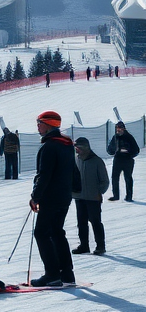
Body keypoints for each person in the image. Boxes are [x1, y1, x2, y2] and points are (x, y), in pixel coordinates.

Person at [29, 110, 77, 287]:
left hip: (51, 197)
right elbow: (73, 170)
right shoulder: (66, 144)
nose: (38, 127)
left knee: (41, 233)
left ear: (49, 125)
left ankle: (52, 274)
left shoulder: (49, 146)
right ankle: (67, 274)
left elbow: (45, 175)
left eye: (40, 123)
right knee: (57, 232)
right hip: (64, 196)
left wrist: (35, 197)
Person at [71, 137, 108, 256]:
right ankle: (84, 245)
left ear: (85, 148)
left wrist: (99, 192)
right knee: (81, 222)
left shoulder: (97, 161)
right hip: (79, 196)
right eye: (76, 148)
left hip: (93, 198)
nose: (77, 150)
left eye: (79, 148)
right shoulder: (76, 160)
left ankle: (100, 246)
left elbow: (104, 181)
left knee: (95, 221)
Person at [107, 120, 138, 202]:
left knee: (128, 178)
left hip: (127, 160)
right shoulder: (115, 137)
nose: (118, 130)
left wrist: (129, 154)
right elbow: (110, 149)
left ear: (124, 129)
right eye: (117, 128)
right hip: (117, 159)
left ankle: (129, 196)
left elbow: (136, 150)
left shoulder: (129, 137)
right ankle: (116, 196)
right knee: (114, 177)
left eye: (120, 128)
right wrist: (111, 151)